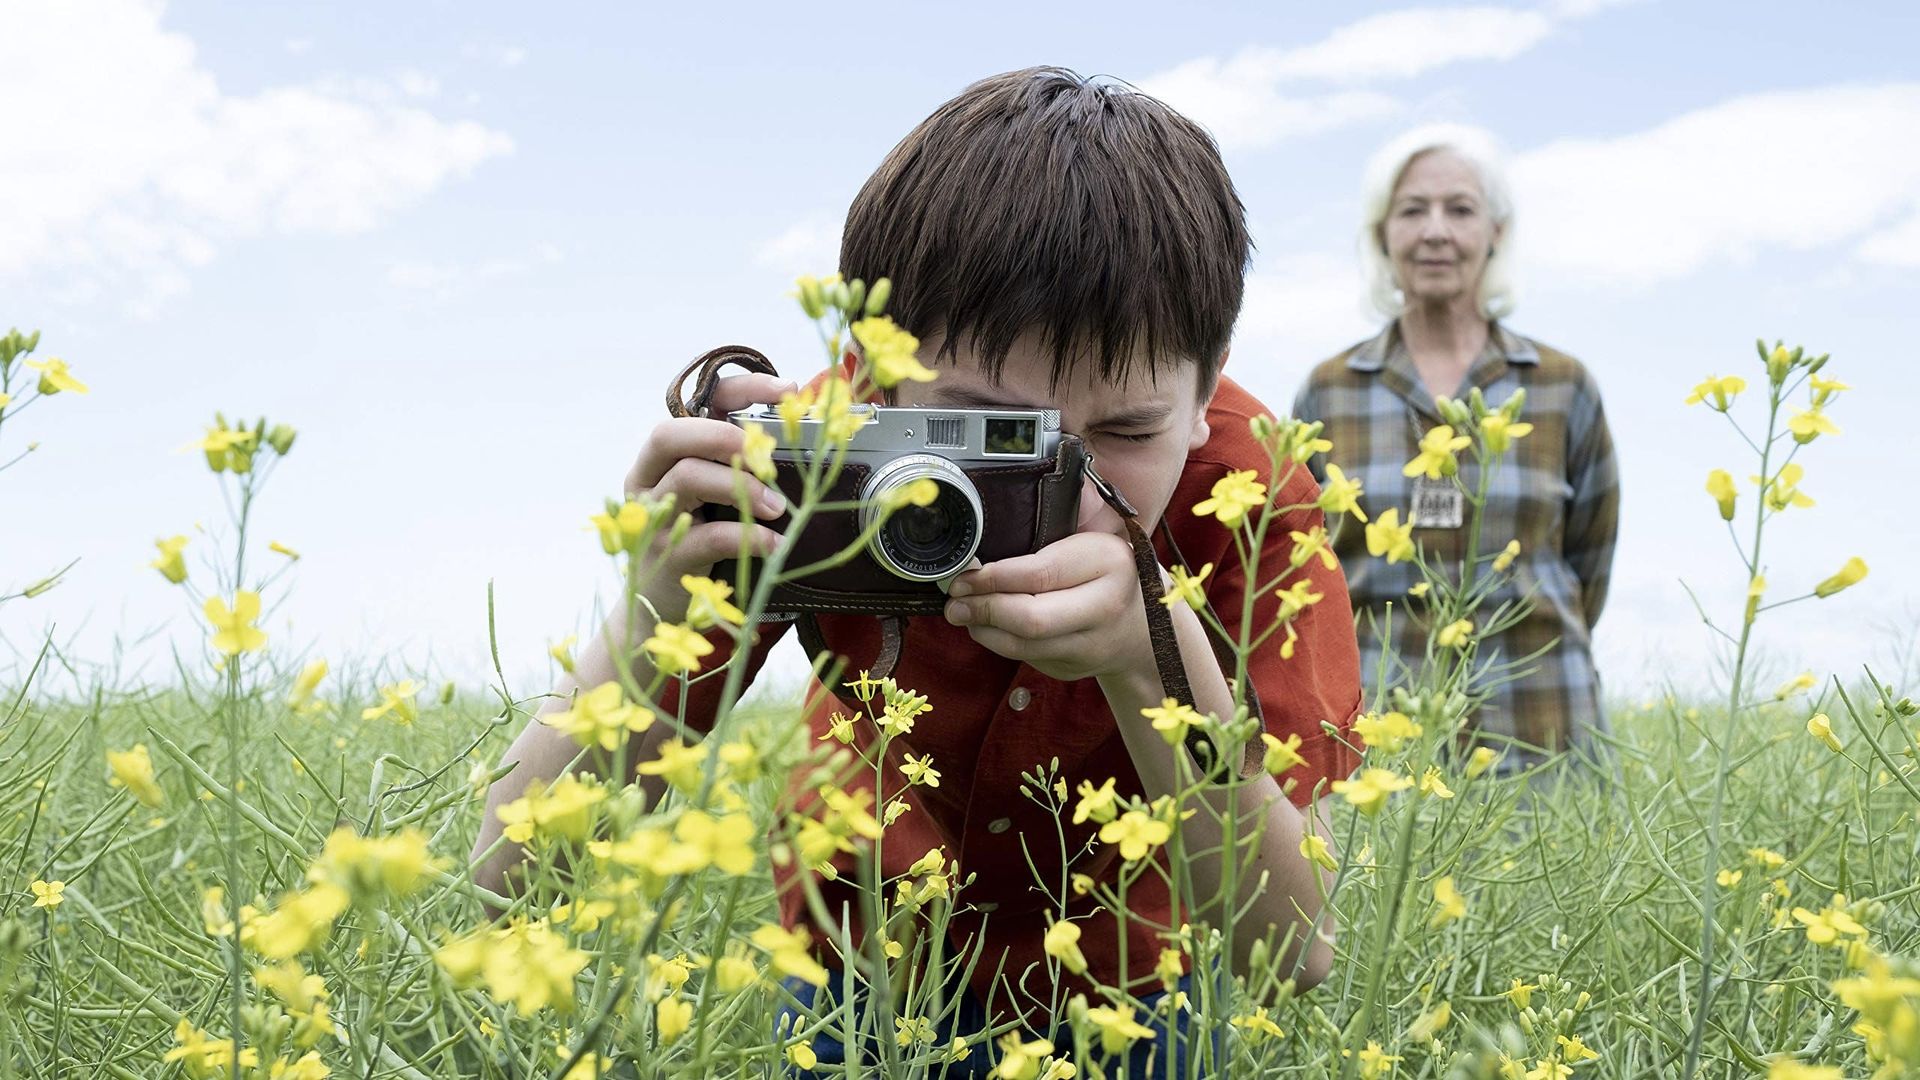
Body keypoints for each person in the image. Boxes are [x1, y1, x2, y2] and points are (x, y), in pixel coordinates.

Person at [473, 67, 1364, 1076]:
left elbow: (1292, 949)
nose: (1060, 492)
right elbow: (512, 866)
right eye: (982, 435)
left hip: (1133, 981)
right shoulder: (816, 452)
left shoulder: (1251, 494)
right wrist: (656, 611)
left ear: (1209, 387)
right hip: (859, 959)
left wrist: (1152, 655)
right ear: (874, 371)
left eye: (1124, 433)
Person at [1292, 124, 1620, 775]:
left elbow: (1590, 567)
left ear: (1496, 232)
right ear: (1383, 234)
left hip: (1542, 730)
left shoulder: (1561, 385)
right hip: (1377, 740)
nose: (1435, 231)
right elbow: (1303, 562)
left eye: (1460, 209)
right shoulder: (1328, 392)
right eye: (1412, 210)